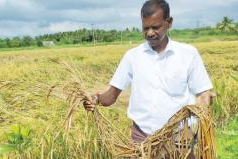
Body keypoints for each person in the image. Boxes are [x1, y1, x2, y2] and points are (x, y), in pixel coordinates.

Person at [83, 0, 215, 157]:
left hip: (179, 137)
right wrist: (95, 99)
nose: (150, 33)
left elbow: (203, 93)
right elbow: (111, 96)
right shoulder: (132, 57)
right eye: (145, 28)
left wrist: (202, 105)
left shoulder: (188, 54)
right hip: (141, 138)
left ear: (169, 22)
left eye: (156, 27)